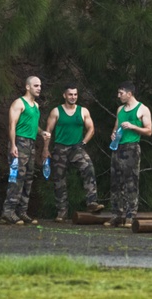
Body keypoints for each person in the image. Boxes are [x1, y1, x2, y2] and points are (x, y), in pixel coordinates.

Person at [42, 84, 105, 222]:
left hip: (76, 148)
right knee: (59, 180)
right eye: (70, 94)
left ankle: (92, 202)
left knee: (88, 168)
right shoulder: (56, 111)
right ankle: (62, 212)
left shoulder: (83, 111)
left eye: (75, 94)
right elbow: (48, 132)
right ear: (64, 95)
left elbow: (91, 129)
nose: (73, 97)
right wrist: (45, 150)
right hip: (60, 148)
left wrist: (83, 143)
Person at [1, 75, 50, 225]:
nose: (39, 88)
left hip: (31, 144)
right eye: (36, 85)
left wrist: (42, 133)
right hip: (20, 142)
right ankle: (8, 211)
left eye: (40, 86)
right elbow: (12, 125)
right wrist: (13, 145)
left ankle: (22, 211)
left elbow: (34, 126)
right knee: (17, 177)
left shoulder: (35, 106)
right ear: (27, 87)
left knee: (28, 177)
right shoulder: (19, 103)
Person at [105, 81, 152, 228]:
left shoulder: (142, 109)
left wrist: (133, 126)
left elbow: (149, 131)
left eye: (121, 93)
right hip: (117, 147)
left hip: (131, 148)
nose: (118, 96)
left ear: (129, 93)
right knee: (115, 182)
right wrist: (113, 134)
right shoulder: (120, 109)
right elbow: (116, 127)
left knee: (130, 182)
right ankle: (116, 215)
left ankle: (130, 215)